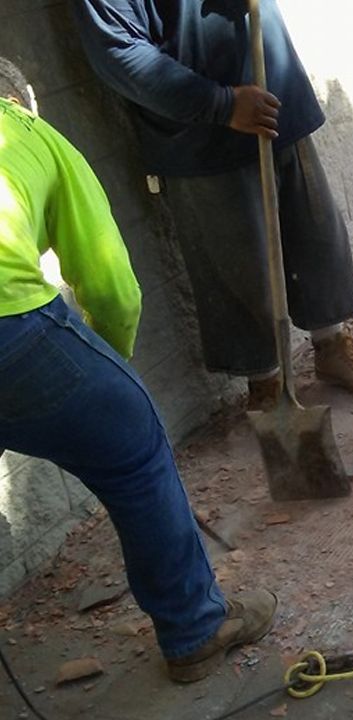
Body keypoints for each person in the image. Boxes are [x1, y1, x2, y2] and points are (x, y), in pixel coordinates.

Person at [0, 58, 276, 684]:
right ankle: (196, 629)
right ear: (21, 100)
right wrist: (111, 375)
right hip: (8, 329)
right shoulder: (28, 131)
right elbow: (111, 287)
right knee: (135, 453)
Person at [72, 0, 353, 410]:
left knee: (316, 235)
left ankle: (332, 345)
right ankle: (265, 383)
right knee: (235, 264)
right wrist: (222, 104)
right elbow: (118, 51)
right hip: (199, 132)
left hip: (273, 92)